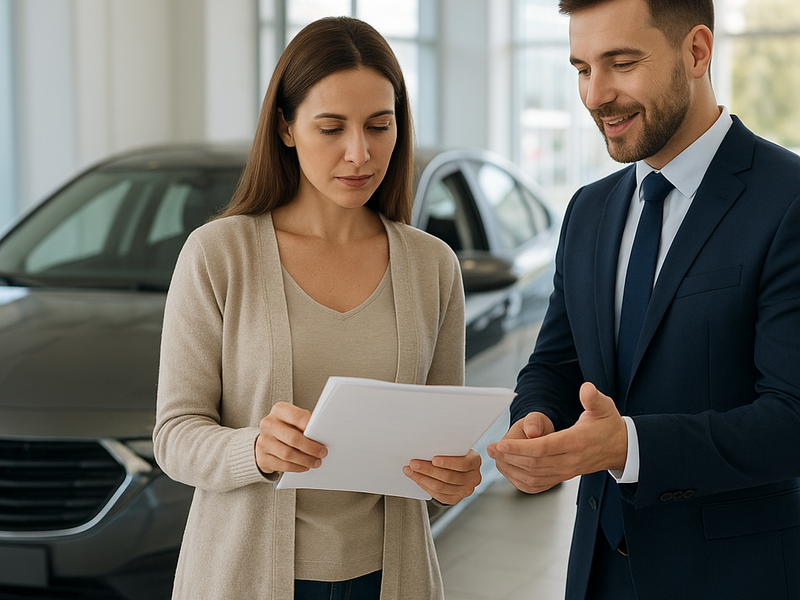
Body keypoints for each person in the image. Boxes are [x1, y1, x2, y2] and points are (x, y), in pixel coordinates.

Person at [153, 16, 481, 600]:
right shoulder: (218, 254)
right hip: (242, 578)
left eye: (380, 126)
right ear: (285, 127)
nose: (360, 153)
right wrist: (253, 448)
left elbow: (437, 449)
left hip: (391, 580)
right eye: (331, 128)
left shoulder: (433, 266)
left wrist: (451, 479)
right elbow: (174, 435)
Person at [487, 0, 800, 598]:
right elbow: (556, 363)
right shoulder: (588, 210)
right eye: (582, 69)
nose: (595, 95)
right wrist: (535, 421)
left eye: (621, 63)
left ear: (697, 51)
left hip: (733, 577)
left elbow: (792, 419)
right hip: (598, 571)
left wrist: (628, 445)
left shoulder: (787, 201)